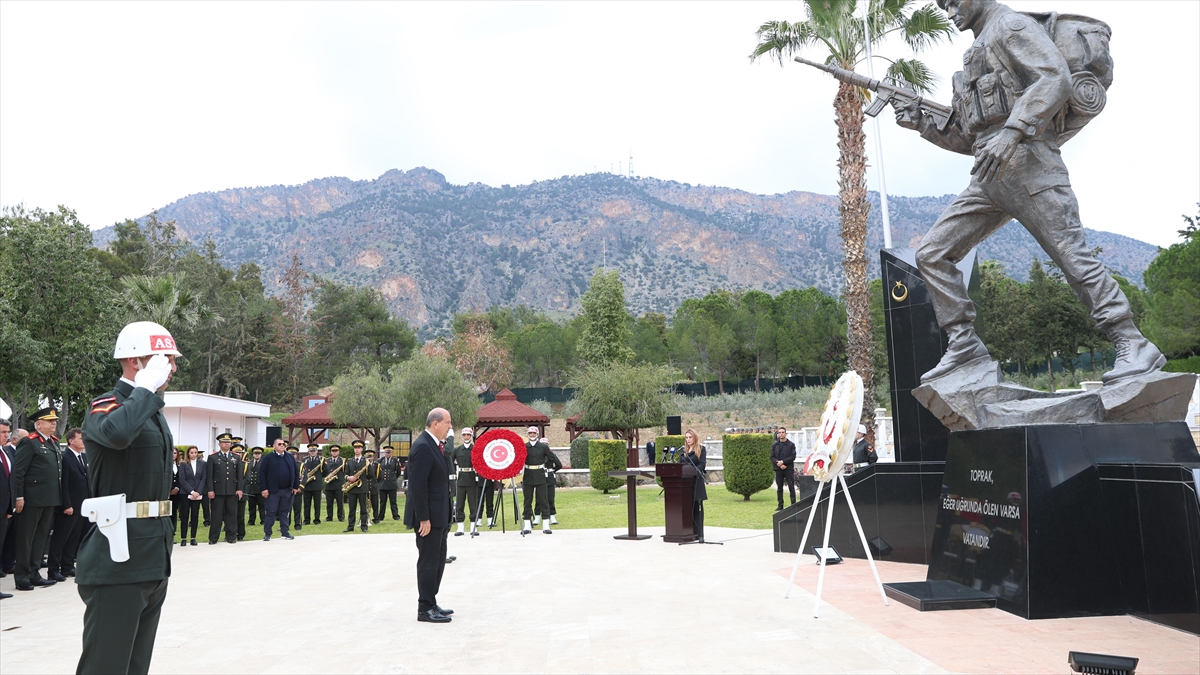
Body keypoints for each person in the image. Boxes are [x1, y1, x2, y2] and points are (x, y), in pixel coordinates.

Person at [894, 0, 1161, 385]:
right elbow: (971, 136)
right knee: (932, 254)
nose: (948, 11)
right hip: (989, 174)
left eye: (953, 1)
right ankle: (965, 345)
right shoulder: (977, 49)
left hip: (1032, 164)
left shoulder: (1012, 27)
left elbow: (1055, 78)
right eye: (943, 5)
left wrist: (1014, 131)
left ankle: (1131, 341)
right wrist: (921, 123)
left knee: (1072, 257)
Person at [76, 320, 180, 674]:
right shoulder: (107, 405)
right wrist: (145, 389)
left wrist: (147, 395)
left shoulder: (151, 409)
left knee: (136, 665)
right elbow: (117, 434)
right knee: (105, 667)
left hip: (152, 551)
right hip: (117, 556)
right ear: (137, 361)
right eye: (165, 359)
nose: (173, 368)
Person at [404, 408, 453, 624]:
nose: (450, 427)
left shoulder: (434, 445)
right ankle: (424, 608)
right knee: (429, 561)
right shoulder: (423, 446)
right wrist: (423, 517)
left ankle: (431, 602)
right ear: (435, 423)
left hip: (439, 516)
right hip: (428, 519)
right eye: (448, 422)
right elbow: (417, 486)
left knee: (439, 560)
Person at [11, 406, 64, 591]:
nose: (54, 423)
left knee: (40, 538)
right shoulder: (30, 442)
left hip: (49, 499)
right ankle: (22, 577)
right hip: (31, 499)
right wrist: (19, 496)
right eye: (50, 421)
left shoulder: (54, 443)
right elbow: (19, 472)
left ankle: (34, 574)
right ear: (38, 424)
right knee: (26, 539)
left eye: (55, 421)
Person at [47, 427, 90, 581]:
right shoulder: (65, 458)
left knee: (74, 538)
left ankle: (67, 566)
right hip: (69, 506)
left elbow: (86, 481)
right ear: (71, 441)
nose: (83, 441)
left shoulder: (83, 458)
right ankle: (53, 569)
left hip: (81, 505)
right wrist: (66, 505)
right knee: (60, 538)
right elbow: (63, 484)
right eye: (80, 438)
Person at [205, 432, 243, 545]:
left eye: (229, 442)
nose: (227, 444)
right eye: (225, 442)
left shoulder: (236, 457)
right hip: (218, 491)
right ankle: (213, 537)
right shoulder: (213, 457)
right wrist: (210, 490)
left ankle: (231, 536)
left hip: (232, 490)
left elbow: (239, 475)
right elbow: (209, 476)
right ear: (219, 444)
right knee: (216, 515)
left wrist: (239, 489)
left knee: (231, 514)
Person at [259, 438, 298, 541]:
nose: (282, 446)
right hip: (273, 491)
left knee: (285, 512)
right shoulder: (268, 458)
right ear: (274, 446)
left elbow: (296, 472)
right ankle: (268, 533)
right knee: (271, 512)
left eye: (283, 444)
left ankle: (285, 532)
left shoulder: (290, 457)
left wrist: (295, 486)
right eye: (279, 444)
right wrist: (264, 489)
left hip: (287, 490)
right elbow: (262, 474)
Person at [521, 426, 553, 535]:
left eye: (534, 433)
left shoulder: (543, 447)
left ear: (537, 434)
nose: (532, 435)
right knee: (527, 501)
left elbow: (552, 457)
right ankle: (527, 526)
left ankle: (546, 526)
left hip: (540, 475)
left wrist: (548, 468)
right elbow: (520, 460)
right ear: (527, 434)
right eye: (530, 433)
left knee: (543, 500)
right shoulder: (524, 447)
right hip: (528, 475)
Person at [680, 428, 708, 542]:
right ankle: (688, 532)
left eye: (690, 437)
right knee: (687, 507)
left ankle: (699, 533)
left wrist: (694, 471)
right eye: (686, 438)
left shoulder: (701, 449)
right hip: (685, 484)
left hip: (697, 482)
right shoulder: (683, 451)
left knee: (698, 507)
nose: (688, 440)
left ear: (695, 437)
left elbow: (702, 464)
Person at [450, 429, 480, 536]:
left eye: (468, 435)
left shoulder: (476, 449)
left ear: (471, 436)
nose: (466, 437)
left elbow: (481, 463)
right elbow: (450, 463)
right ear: (462, 436)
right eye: (464, 435)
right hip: (461, 479)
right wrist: (453, 476)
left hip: (472, 479)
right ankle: (460, 528)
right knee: (459, 505)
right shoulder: (457, 450)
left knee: (473, 504)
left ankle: (473, 527)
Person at [177, 447, 205, 546]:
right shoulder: (183, 464)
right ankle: (183, 538)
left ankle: (193, 537)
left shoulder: (202, 464)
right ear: (188, 454)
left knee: (195, 515)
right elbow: (182, 479)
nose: (194, 454)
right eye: (191, 452)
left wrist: (198, 492)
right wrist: (191, 491)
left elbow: (203, 479)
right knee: (184, 515)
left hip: (198, 493)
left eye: (195, 452)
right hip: (186, 493)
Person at [0, 420, 14, 598]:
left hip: (4, 510)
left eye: (7, 432)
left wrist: (10, 507)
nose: (6, 435)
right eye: (2, 432)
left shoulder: (6, 452)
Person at [343, 442, 371, 532]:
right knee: (352, 509)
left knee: (363, 508)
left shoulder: (366, 461)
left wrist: (361, 478)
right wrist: (349, 477)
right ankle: (350, 526)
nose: (357, 449)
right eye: (355, 448)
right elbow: (345, 474)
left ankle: (364, 526)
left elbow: (371, 475)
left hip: (362, 488)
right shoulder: (350, 461)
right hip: (352, 488)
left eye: (359, 448)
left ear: (362, 449)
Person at [771, 427, 797, 512]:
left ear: (785, 433)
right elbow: (772, 457)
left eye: (783, 432)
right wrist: (778, 463)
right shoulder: (775, 445)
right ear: (778, 434)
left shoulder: (791, 445)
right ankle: (780, 505)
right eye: (780, 432)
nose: (781, 434)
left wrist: (783, 462)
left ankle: (793, 505)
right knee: (779, 487)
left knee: (791, 487)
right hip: (778, 469)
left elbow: (792, 456)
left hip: (788, 468)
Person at [538, 441, 563, 525]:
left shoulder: (551, 454)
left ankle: (552, 516)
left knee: (550, 498)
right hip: (540, 476)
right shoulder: (538, 455)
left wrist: (553, 471)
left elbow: (559, 465)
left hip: (549, 476)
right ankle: (537, 516)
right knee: (539, 497)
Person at [300, 443, 324, 525]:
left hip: (317, 485)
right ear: (308, 451)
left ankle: (317, 520)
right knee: (306, 504)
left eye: (314, 451)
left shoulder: (321, 460)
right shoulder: (305, 460)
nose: (312, 452)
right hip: (307, 485)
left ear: (317, 451)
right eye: (311, 451)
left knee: (317, 504)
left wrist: (318, 477)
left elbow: (325, 472)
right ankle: (306, 520)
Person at [322, 444, 345, 522]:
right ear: (330, 452)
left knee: (340, 502)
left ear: (339, 452)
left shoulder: (342, 460)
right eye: (333, 451)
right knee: (329, 502)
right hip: (329, 485)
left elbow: (345, 471)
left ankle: (340, 517)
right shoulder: (326, 461)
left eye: (336, 451)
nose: (334, 452)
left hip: (338, 484)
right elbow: (324, 472)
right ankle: (329, 517)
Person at [378, 445, 402, 521]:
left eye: (389, 452)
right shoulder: (380, 460)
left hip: (392, 484)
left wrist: (393, 478)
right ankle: (381, 516)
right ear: (384, 453)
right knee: (382, 502)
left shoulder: (395, 461)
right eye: (386, 452)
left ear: (391, 453)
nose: (387, 454)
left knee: (393, 501)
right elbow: (378, 472)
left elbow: (398, 472)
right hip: (383, 484)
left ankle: (395, 516)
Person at [242, 446, 263, 528]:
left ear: (261, 454)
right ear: (253, 454)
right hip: (251, 488)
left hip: (260, 487)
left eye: (259, 453)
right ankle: (251, 521)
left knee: (262, 506)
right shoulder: (249, 463)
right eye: (255, 453)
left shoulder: (263, 463)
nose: (257, 455)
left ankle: (263, 520)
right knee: (251, 506)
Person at [287, 446, 303, 529]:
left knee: (297, 509)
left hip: (297, 490)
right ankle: (286, 525)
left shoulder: (301, 465)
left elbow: (304, 477)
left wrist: (300, 488)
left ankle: (298, 524)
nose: (292, 456)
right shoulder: (284, 464)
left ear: (296, 455)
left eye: (293, 454)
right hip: (287, 490)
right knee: (286, 509)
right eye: (290, 454)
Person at [365, 448, 382, 524]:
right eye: (368, 456)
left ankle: (376, 518)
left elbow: (379, 477)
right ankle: (365, 518)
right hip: (365, 486)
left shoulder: (377, 465)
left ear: (373, 457)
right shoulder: (363, 464)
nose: (369, 458)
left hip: (374, 487)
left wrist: (375, 483)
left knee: (375, 504)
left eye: (370, 456)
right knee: (365, 504)